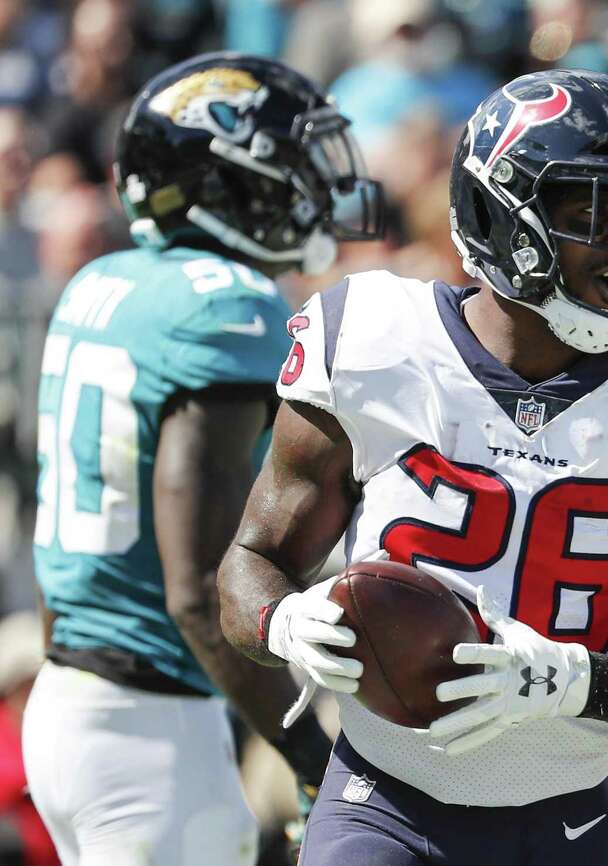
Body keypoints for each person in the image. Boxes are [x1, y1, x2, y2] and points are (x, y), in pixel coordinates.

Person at [217, 68, 608, 866]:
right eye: (595, 220)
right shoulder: (371, 341)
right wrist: (284, 624)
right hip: (381, 805)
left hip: (564, 822)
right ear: (505, 218)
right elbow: (250, 564)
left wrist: (576, 682)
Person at [23, 51, 383, 865]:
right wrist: (315, 761)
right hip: (152, 727)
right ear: (231, 178)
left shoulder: (106, 281)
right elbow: (198, 589)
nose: (314, 183)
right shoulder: (226, 304)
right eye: (293, 161)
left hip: (71, 698)